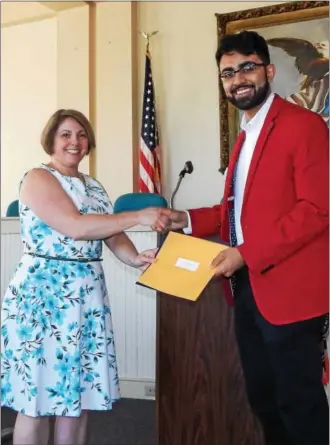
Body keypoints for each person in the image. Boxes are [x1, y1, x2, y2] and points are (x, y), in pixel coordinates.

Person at [163, 31, 329, 445]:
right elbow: (235, 213)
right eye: (227, 73)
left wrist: (245, 254)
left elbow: (317, 209)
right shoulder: (245, 135)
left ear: (268, 70)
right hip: (247, 290)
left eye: (247, 67)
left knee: (299, 403)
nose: (237, 79)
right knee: (263, 399)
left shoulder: (303, 125)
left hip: (292, 293)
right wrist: (183, 218)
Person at [1, 109, 168, 445]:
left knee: (78, 398)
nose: (74, 142)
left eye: (80, 135)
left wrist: (135, 257)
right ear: (51, 140)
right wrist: (137, 215)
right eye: (65, 134)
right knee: (36, 400)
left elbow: (109, 233)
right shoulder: (38, 177)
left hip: (86, 300)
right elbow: (77, 226)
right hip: (43, 300)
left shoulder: (93, 185)